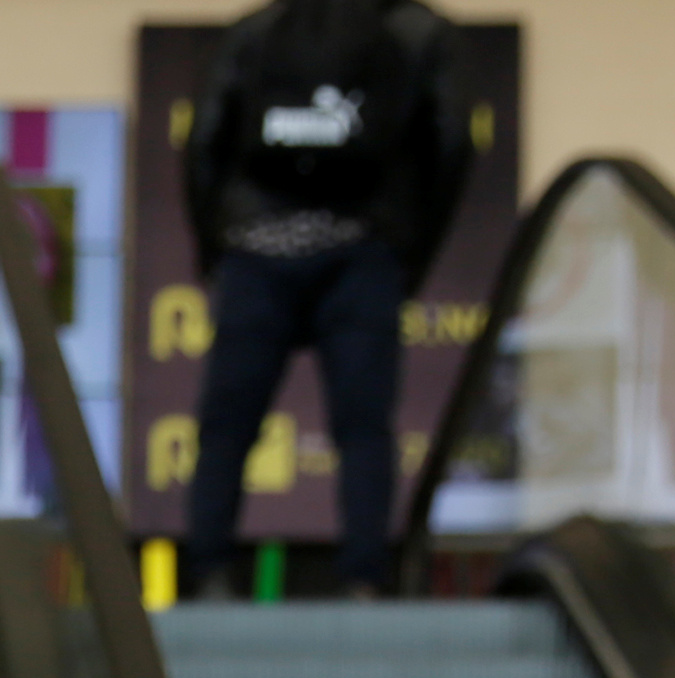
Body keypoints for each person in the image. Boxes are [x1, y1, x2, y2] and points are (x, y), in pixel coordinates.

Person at [179, 0, 475, 599]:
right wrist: (409, 249)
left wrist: (215, 245)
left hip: (256, 245)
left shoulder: (258, 28)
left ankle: (207, 574)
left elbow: (205, 136)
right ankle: (364, 578)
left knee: (227, 427)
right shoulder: (420, 30)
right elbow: (451, 142)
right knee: (364, 429)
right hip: (363, 246)